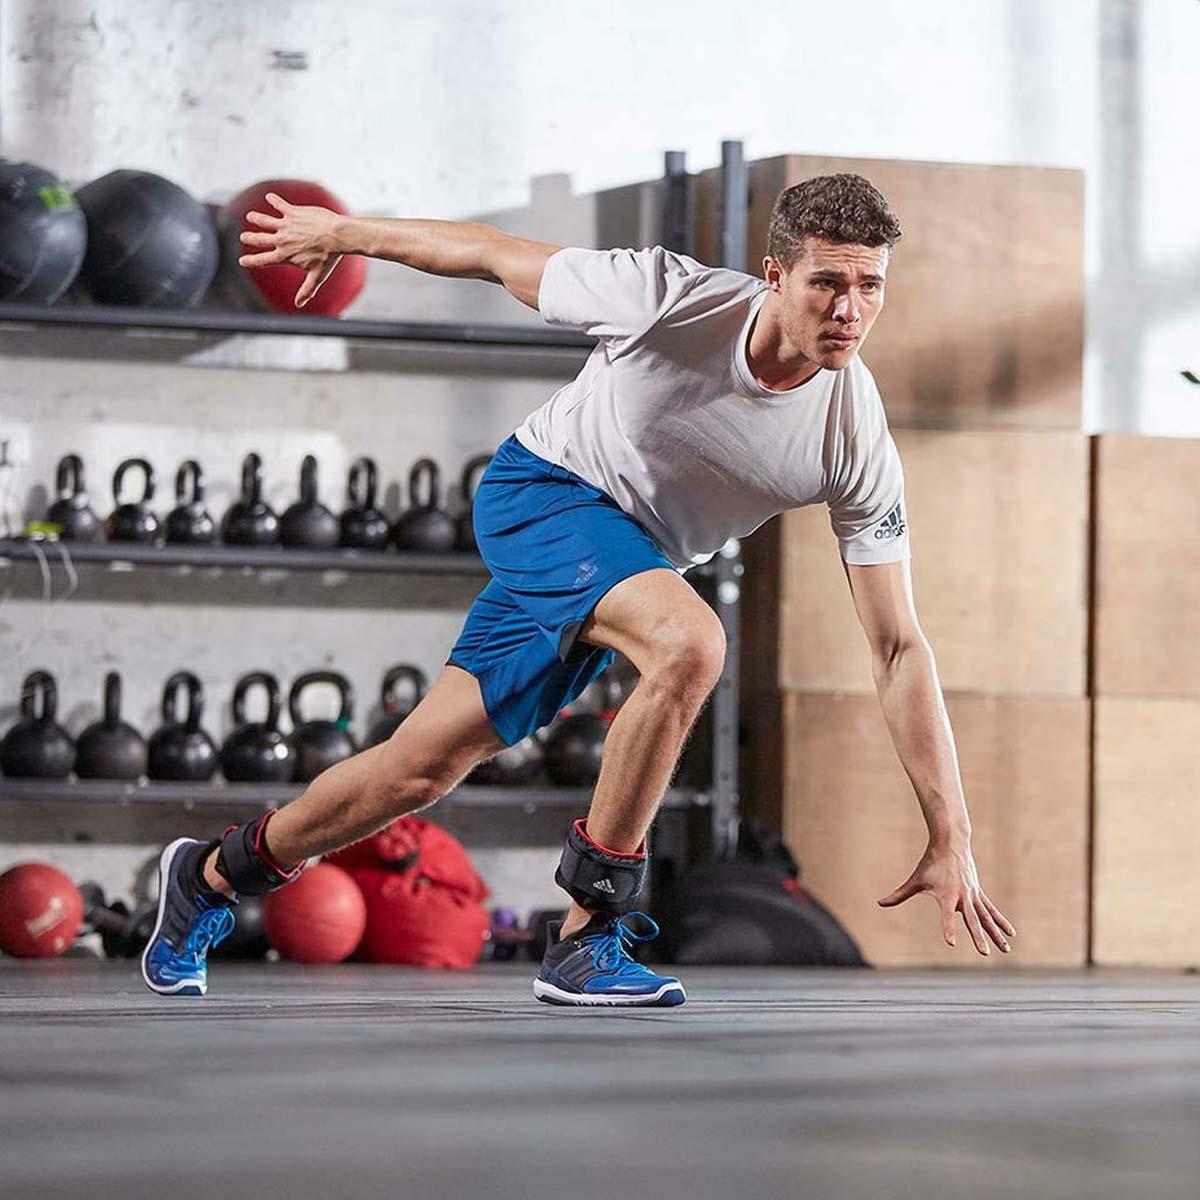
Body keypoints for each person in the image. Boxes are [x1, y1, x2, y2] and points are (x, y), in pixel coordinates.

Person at [141, 173, 1015, 1005]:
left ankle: (210, 874)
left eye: (870, 286)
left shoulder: (854, 437)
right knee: (691, 644)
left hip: (629, 561)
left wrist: (952, 832)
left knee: (417, 770)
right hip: (544, 494)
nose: (849, 310)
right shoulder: (666, 297)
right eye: (828, 282)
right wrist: (345, 232)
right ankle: (588, 933)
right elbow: (489, 252)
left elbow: (898, 647)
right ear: (775, 276)